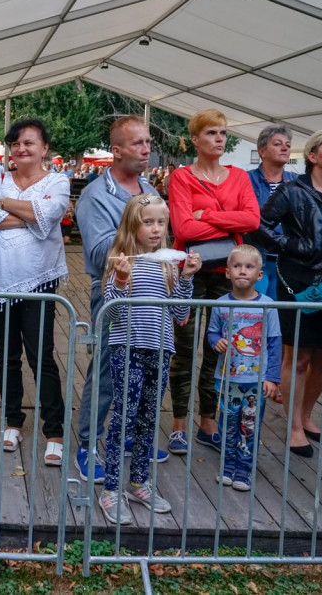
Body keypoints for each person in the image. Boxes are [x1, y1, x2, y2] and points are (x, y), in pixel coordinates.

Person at [252, 129, 322, 457]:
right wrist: (291, 245)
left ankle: (305, 414)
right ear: (313, 156)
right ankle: (294, 427)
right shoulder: (293, 191)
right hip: (301, 283)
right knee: (299, 357)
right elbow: (259, 224)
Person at [99, 194, 200, 524]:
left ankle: (138, 482)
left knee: (147, 418)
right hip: (127, 349)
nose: (156, 229)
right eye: (148, 222)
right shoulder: (120, 261)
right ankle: (110, 489)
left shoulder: (168, 265)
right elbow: (111, 310)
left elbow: (181, 314)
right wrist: (121, 279)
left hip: (161, 349)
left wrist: (187, 278)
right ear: (132, 225)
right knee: (123, 419)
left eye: (161, 222)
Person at [167, 109, 260, 456]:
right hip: (190, 270)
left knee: (218, 349)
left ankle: (208, 423)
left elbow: (253, 219)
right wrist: (229, 223)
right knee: (183, 348)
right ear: (195, 139)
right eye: (211, 133)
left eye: (222, 133)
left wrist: (206, 215)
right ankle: (178, 425)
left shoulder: (239, 177)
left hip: (227, 272)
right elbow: (183, 227)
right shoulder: (182, 177)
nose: (219, 139)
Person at [0, 119, 69, 465]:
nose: (20, 149)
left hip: (38, 279)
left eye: (28, 143)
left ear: (45, 149)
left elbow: (51, 214)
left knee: (40, 356)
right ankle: (12, 420)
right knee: (6, 355)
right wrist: (31, 215)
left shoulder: (58, 181)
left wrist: (5, 205)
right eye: (15, 143)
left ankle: (54, 430)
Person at [73, 115, 157, 483]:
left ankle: (128, 438)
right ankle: (88, 444)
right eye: (138, 143)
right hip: (113, 293)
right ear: (117, 150)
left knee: (145, 368)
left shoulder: (149, 189)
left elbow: (162, 239)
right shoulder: (95, 195)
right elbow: (97, 254)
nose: (147, 149)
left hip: (152, 291)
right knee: (107, 370)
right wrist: (143, 232)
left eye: (148, 142)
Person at [207, 245, 281, 492]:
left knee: (249, 425)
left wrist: (272, 377)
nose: (242, 271)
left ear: (259, 275)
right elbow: (212, 332)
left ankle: (244, 467)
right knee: (227, 424)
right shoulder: (220, 304)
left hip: (255, 380)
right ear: (227, 272)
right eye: (237, 266)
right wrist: (216, 341)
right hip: (227, 378)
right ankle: (227, 465)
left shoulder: (268, 305)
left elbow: (274, 342)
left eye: (249, 267)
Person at [246, 125, 298, 299]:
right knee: (254, 309)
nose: (284, 148)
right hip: (254, 256)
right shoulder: (246, 179)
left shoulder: (298, 182)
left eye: (288, 145)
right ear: (262, 151)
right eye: (277, 144)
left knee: (279, 311)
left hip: (287, 259)